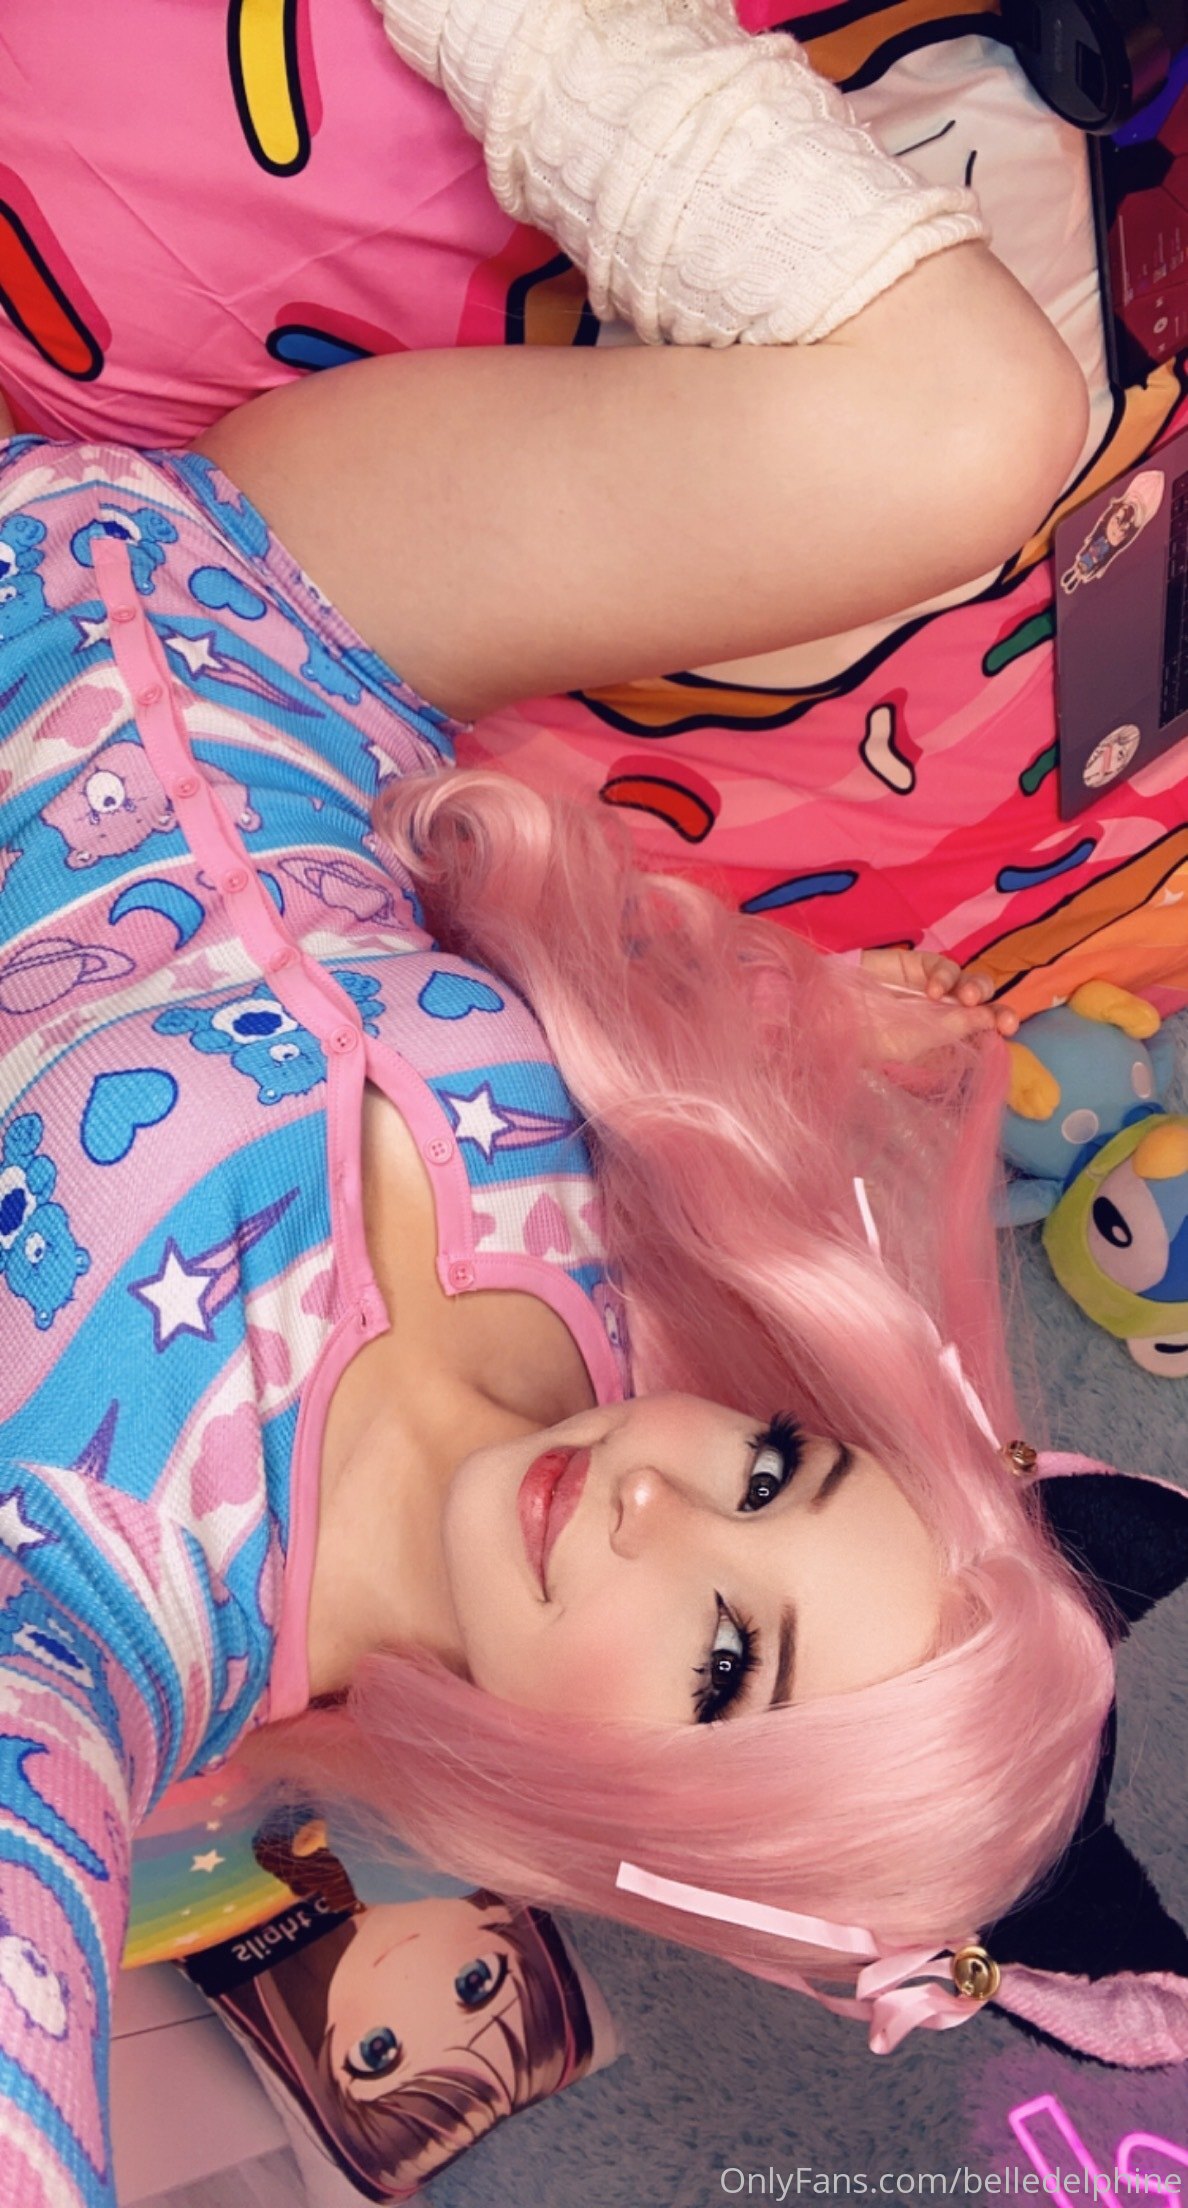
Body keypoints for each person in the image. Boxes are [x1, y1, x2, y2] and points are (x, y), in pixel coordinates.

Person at [0, 27, 1114, 2197]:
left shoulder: (97, 1640)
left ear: (640, 1816)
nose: (660, 1502)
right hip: (267, 592)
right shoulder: (665, 1257)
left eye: (724, 1658)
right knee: (983, 423)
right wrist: (827, 1023)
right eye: (778, 1470)